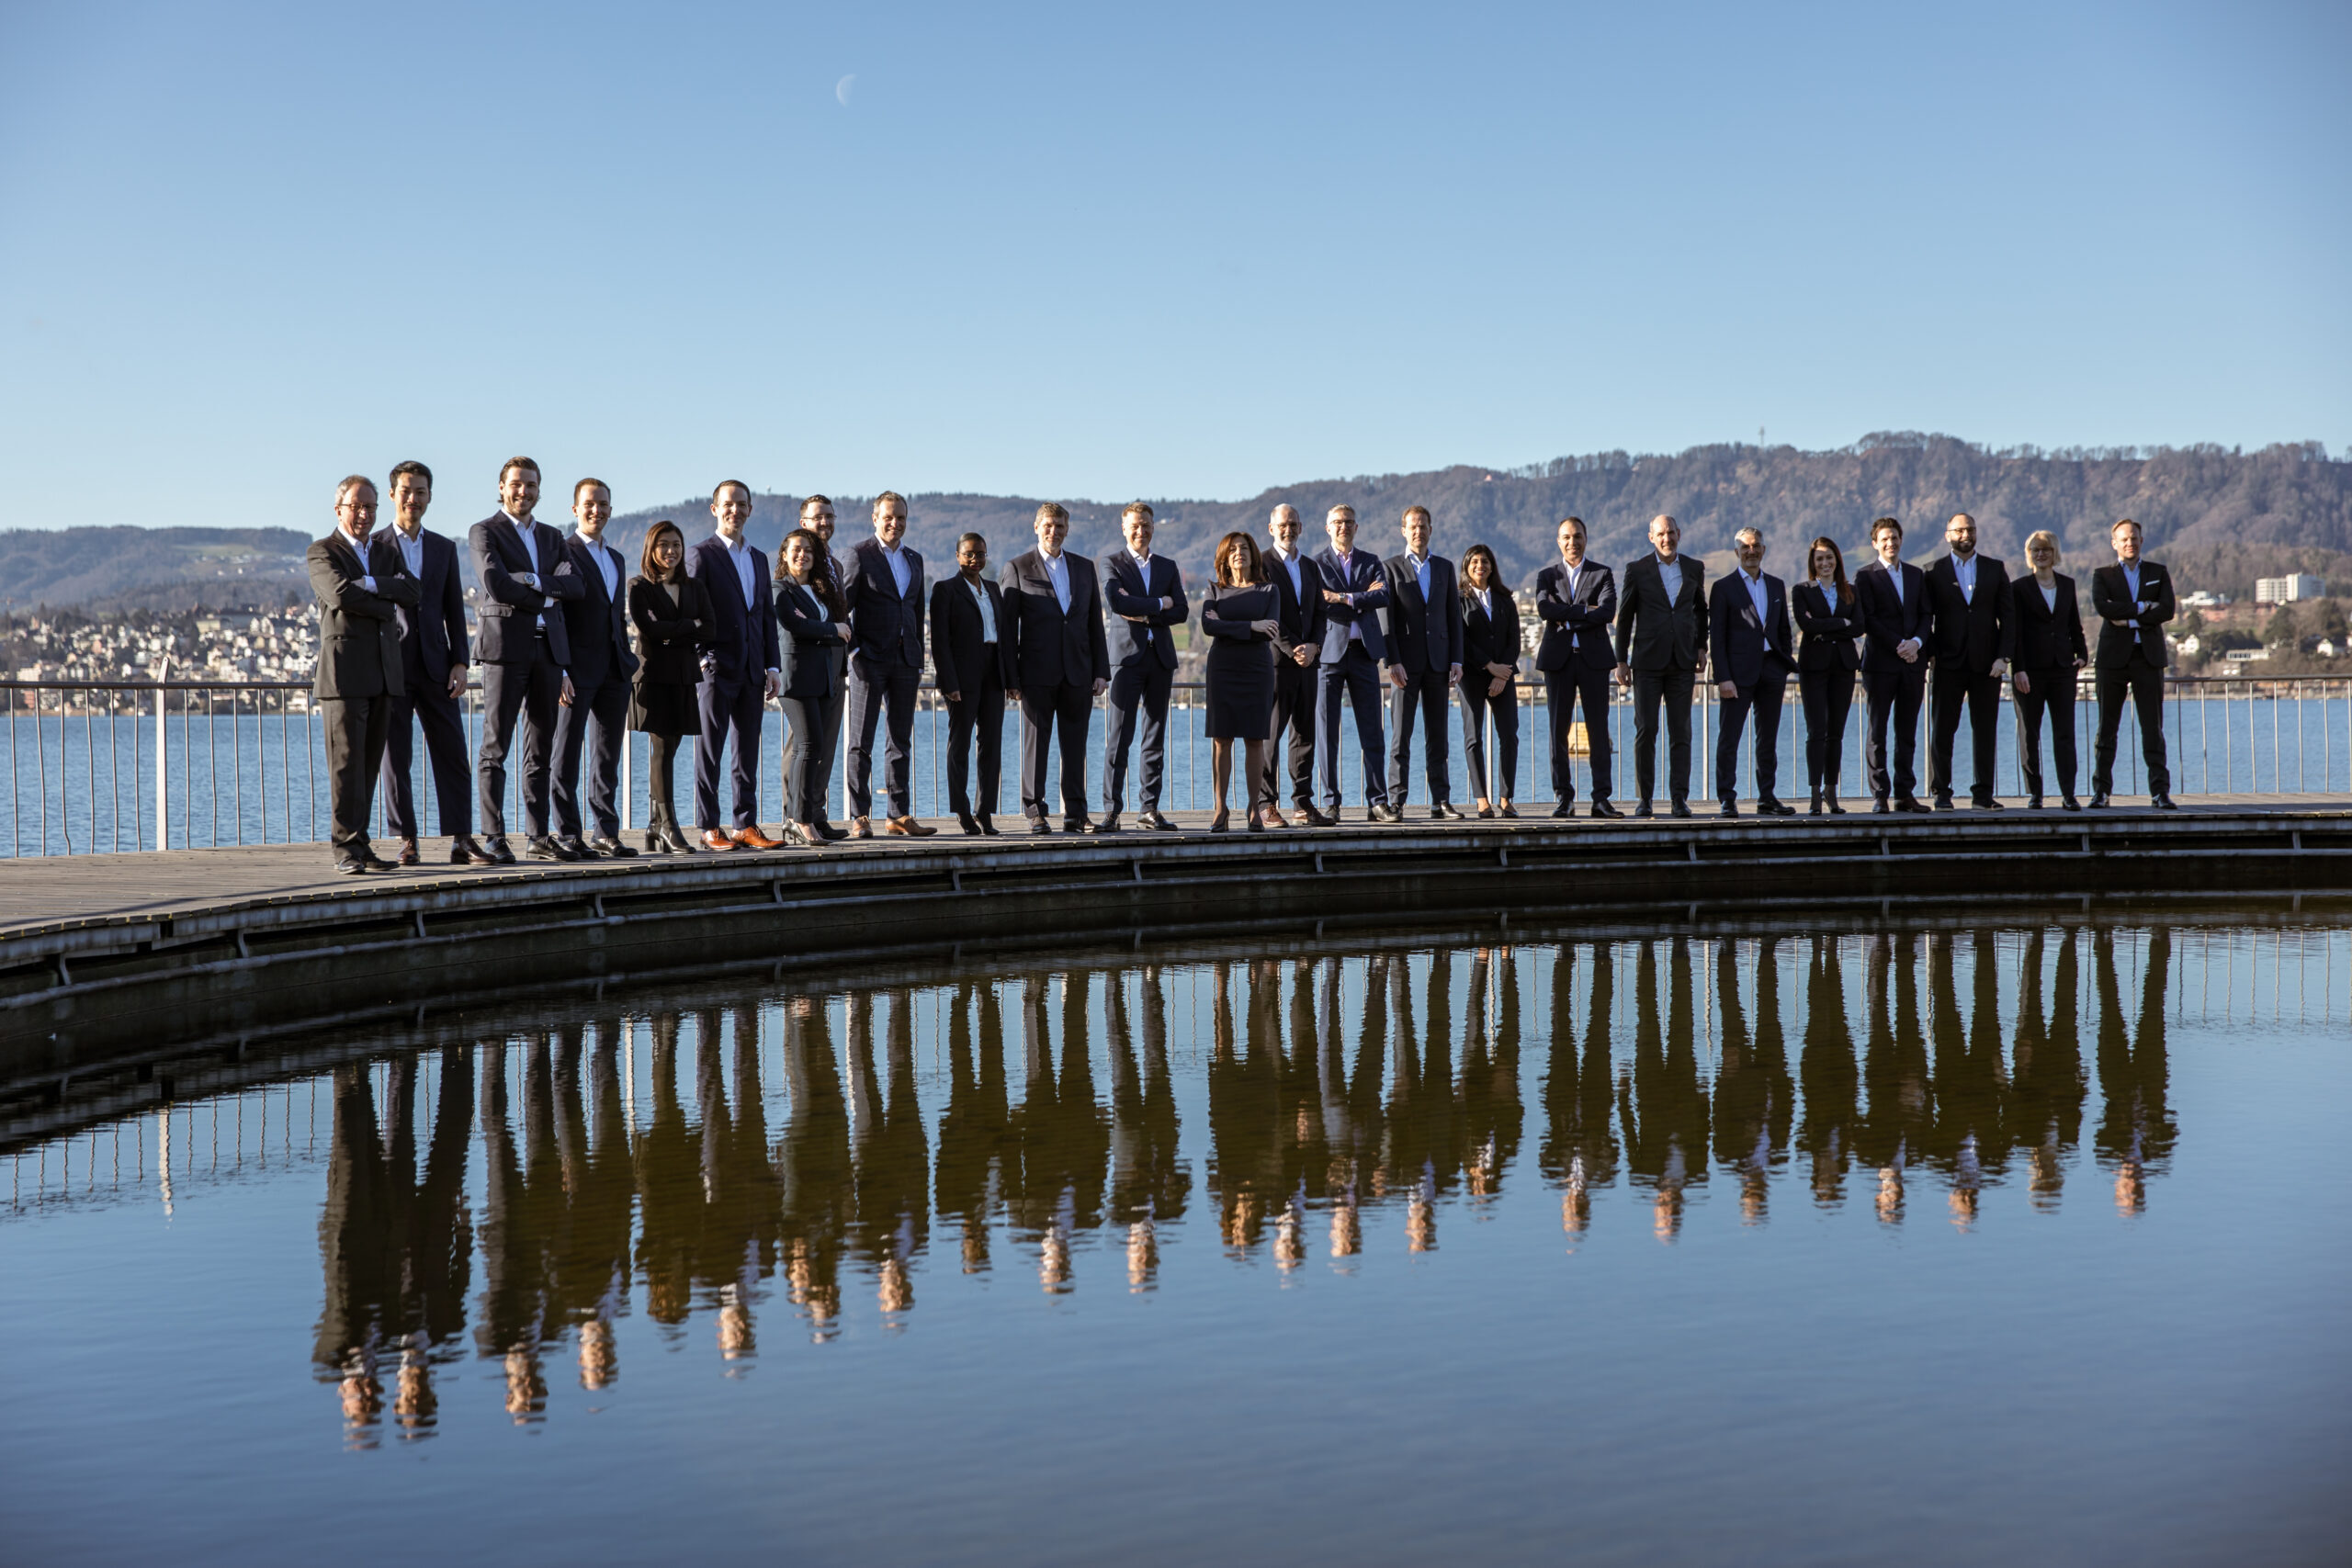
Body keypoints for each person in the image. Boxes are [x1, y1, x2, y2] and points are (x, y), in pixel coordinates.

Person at [369, 460, 488, 865]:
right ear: (392, 495)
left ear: (430, 497)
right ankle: (406, 839)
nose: (413, 499)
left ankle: (462, 838)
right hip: (392, 665)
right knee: (395, 756)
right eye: (406, 491)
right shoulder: (375, 546)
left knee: (453, 752)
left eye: (420, 492)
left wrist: (460, 662)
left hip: (439, 667)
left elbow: (455, 609)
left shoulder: (442, 547)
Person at [469, 457, 584, 863]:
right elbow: (496, 584)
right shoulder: (485, 531)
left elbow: (576, 586)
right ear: (502, 487)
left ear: (539, 490)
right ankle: (494, 836)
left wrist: (535, 581)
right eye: (516, 484)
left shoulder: (553, 537)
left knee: (541, 749)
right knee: (495, 746)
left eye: (531, 485)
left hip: (548, 650)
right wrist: (548, 594)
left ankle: (538, 836)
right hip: (504, 650)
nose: (524, 491)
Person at [310, 476, 419, 874]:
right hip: (343, 676)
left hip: (383, 673)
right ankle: (344, 848)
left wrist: (371, 584)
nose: (363, 514)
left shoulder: (385, 552)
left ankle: (362, 844)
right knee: (345, 765)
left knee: (370, 764)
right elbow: (339, 594)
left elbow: (413, 592)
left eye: (370, 507)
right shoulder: (323, 551)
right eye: (356, 506)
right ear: (338, 509)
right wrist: (385, 603)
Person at [684, 480, 784, 852]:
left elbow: (766, 615)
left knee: (747, 751)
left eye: (742, 505)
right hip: (715, 668)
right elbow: (690, 611)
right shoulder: (701, 555)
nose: (735, 511)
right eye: (728, 504)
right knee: (709, 751)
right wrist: (701, 658)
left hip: (753, 669)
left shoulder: (758, 558)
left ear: (750, 510)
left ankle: (744, 824)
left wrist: (772, 665)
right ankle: (709, 826)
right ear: (715, 509)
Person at [1001, 502, 1108, 832]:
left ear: (1067, 529)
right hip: (1035, 673)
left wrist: (1101, 670)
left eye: (1060, 525)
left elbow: (1094, 622)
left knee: (1075, 747)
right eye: (1048, 525)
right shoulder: (1018, 567)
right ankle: (1035, 811)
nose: (1054, 531)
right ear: (1036, 527)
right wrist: (1010, 677)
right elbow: (1007, 630)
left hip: (1078, 671)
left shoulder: (1084, 567)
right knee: (1036, 746)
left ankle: (1076, 813)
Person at [551, 479, 639, 857]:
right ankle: (569, 833)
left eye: (603, 504)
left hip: (615, 669)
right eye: (589, 504)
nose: (596, 510)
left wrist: (627, 659)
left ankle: (606, 831)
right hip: (575, 670)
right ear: (575, 509)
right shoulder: (562, 552)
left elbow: (615, 614)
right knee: (566, 755)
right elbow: (554, 615)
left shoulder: (616, 558)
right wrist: (560, 670)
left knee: (607, 758)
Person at [842, 491, 933, 838]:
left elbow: (916, 609)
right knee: (860, 742)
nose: (895, 523)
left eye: (901, 518)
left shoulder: (915, 559)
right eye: (889, 517)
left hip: (906, 660)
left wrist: (917, 656)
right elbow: (842, 607)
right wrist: (854, 652)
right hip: (869, 660)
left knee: (900, 741)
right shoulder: (859, 554)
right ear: (875, 518)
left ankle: (898, 814)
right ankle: (860, 815)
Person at [627, 521, 716, 853]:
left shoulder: (694, 587)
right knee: (662, 749)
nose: (671, 550)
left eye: (676, 544)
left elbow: (709, 629)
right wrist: (688, 626)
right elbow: (648, 629)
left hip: (684, 675)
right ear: (651, 548)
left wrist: (671, 631)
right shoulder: (639, 586)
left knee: (670, 749)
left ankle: (655, 824)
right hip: (653, 676)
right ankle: (668, 826)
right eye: (663, 544)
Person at [1099, 502, 1187, 832]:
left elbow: (1181, 611)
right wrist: (1160, 604)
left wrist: (1145, 613)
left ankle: (1149, 809)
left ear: (1153, 527)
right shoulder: (1112, 563)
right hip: (1126, 659)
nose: (1141, 530)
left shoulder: (1167, 566)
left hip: (1160, 659)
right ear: (1124, 528)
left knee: (1154, 738)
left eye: (1146, 524)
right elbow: (1117, 602)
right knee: (1119, 738)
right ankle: (1111, 812)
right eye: (1135, 525)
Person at [1611, 513, 1708, 818]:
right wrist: (1621, 661)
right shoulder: (1637, 570)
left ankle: (1679, 799)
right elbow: (1625, 617)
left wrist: (1702, 647)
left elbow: (1700, 611)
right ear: (1651, 537)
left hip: (1683, 661)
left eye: (1671, 533)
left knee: (1681, 732)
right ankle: (1645, 799)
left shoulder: (1694, 568)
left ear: (1679, 533)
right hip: (1647, 663)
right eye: (1661, 534)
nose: (1667, 539)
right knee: (1646, 731)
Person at [1923, 512, 2016, 809]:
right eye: (1960, 530)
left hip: (1988, 665)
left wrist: (2004, 657)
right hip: (1947, 662)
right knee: (1942, 730)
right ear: (1948, 535)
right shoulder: (1932, 571)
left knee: (1985, 731)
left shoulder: (1994, 568)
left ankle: (1983, 795)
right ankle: (1941, 792)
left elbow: (2009, 617)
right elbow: (1925, 617)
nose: (1966, 535)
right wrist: (1931, 653)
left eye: (1971, 529)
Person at [1381, 505, 1464, 818]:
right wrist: (1392, 660)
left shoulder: (1444, 567)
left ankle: (1441, 801)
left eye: (1423, 526)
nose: (1418, 531)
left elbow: (1453, 617)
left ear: (1431, 529)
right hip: (1404, 665)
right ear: (1403, 531)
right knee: (1400, 736)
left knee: (1438, 736)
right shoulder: (1390, 568)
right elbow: (1387, 620)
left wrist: (1457, 659)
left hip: (1439, 664)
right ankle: (1396, 801)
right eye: (1413, 526)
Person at [1313, 504, 1396, 823]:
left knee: (1372, 731)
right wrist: (1361, 597)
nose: (1343, 526)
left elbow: (1383, 596)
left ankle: (1377, 802)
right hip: (1329, 655)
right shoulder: (1316, 564)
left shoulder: (1371, 561)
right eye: (1337, 522)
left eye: (1348, 522)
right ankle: (1331, 802)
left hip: (1364, 653)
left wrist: (1343, 597)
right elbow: (1319, 601)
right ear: (1328, 528)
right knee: (1326, 734)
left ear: (1356, 527)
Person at [1533, 517, 1618, 818]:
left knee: (1599, 730)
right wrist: (1584, 611)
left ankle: (1601, 799)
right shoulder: (1546, 576)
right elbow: (1544, 609)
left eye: (1578, 536)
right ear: (1559, 541)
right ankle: (1564, 798)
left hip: (1594, 660)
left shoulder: (1602, 573)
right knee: (1558, 732)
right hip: (1558, 661)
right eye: (1567, 537)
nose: (1573, 542)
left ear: (1586, 538)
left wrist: (1566, 618)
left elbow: (1607, 612)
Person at [2088, 518, 2177, 809]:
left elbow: (2167, 610)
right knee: (2106, 730)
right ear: (2114, 543)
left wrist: (2127, 619)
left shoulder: (2157, 572)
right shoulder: (2102, 575)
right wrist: (2143, 608)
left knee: (2153, 730)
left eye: (2134, 538)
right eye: (2124, 539)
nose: (2130, 543)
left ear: (2141, 540)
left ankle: (2160, 792)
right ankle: (2101, 792)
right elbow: (2104, 608)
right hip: (2112, 660)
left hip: (2147, 658)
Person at [1708, 526, 1796, 816]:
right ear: (1737, 551)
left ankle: (1767, 797)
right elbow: (1717, 638)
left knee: (1767, 740)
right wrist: (1723, 677)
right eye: (1745, 547)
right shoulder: (1723, 587)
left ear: (1764, 550)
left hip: (1772, 671)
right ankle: (1727, 798)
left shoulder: (1776, 585)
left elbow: (1783, 629)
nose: (1751, 551)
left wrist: (1783, 664)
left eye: (1756, 545)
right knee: (1729, 739)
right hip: (1736, 675)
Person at [929, 531, 1012, 836]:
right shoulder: (945, 590)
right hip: (962, 677)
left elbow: (1004, 636)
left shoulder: (993, 589)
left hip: (994, 673)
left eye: (980, 554)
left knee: (991, 745)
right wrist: (948, 681)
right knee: (960, 745)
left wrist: (1011, 679)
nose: (975, 559)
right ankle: (962, 810)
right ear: (958, 556)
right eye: (969, 554)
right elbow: (940, 641)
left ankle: (985, 810)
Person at [775, 526, 850, 846]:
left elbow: (828, 626)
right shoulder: (780, 588)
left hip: (821, 677)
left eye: (808, 550)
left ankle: (802, 817)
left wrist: (826, 628)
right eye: (796, 549)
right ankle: (801, 820)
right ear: (784, 554)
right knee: (807, 746)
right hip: (794, 678)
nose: (802, 555)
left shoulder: (819, 591)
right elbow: (795, 625)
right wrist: (831, 629)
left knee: (813, 748)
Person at [1200, 532, 1279, 832]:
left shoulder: (1269, 590)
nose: (1238, 553)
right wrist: (1251, 625)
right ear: (1224, 557)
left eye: (1244, 548)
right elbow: (1209, 625)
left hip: (1257, 668)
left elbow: (1270, 629)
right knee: (1221, 738)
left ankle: (1254, 808)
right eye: (1232, 549)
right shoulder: (1214, 589)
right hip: (1223, 668)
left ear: (1253, 553)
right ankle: (1220, 809)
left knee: (1255, 738)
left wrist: (1229, 626)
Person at [1255, 504, 1327, 828]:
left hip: (1308, 663)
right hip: (1277, 663)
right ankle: (1266, 803)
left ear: (1301, 527)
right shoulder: (1262, 564)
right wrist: (1292, 647)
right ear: (1271, 528)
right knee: (1270, 736)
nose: (1289, 529)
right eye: (1283, 524)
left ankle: (1302, 802)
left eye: (1294, 524)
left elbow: (1320, 612)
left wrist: (1314, 646)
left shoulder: (1311, 566)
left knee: (1305, 735)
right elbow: (1267, 612)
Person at [1854, 516, 1932, 813]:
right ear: (1875, 543)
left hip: (1913, 663)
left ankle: (1904, 793)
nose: (1891, 543)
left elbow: (1926, 615)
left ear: (1901, 540)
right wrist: (1900, 645)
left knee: (1907, 732)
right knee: (1878, 732)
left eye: (1895, 537)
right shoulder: (1865, 576)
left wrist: (1917, 643)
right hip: (1880, 664)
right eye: (1884, 539)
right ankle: (1880, 795)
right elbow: (1869, 619)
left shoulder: (1915, 574)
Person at [2011, 529, 2086, 810]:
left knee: (2065, 734)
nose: (2041, 554)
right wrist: (2018, 668)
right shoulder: (2019, 588)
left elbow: (2074, 624)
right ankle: (2035, 793)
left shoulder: (2067, 584)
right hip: (2029, 671)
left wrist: (2082, 655)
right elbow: (2015, 632)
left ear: (2055, 553)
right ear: (2029, 555)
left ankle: (2069, 793)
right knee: (2029, 734)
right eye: (2036, 550)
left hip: (2063, 669)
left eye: (2046, 549)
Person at [1792, 536, 1864, 814]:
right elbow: (1806, 625)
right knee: (1816, 731)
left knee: (1836, 732)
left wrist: (1824, 627)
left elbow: (1858, 626)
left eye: (1829, 557)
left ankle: (1830, 792)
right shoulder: (1802, 590)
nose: (1825, 563)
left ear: (1837, 560)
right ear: (1813, 562)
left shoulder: (1851, 591)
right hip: (1813, 667)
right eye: (1820, 558)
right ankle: (1814, 794)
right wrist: (1840, 622)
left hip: (1843, 666)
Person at [1456, 543, 1520, 818]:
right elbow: (1461, 640)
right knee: (1473, 738)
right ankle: (1482, 800)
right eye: (1474, 562)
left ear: (1492, 566)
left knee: (1510, 736)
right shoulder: (1458, 599)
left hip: (1503, 676)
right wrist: (1489, 665)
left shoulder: (1505, 599)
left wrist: (1502, 673)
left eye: (1484, 561)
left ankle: (1506, 799)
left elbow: (1514, 640)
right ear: (1466, 567)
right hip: (1471, 676)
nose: (1480, 566)